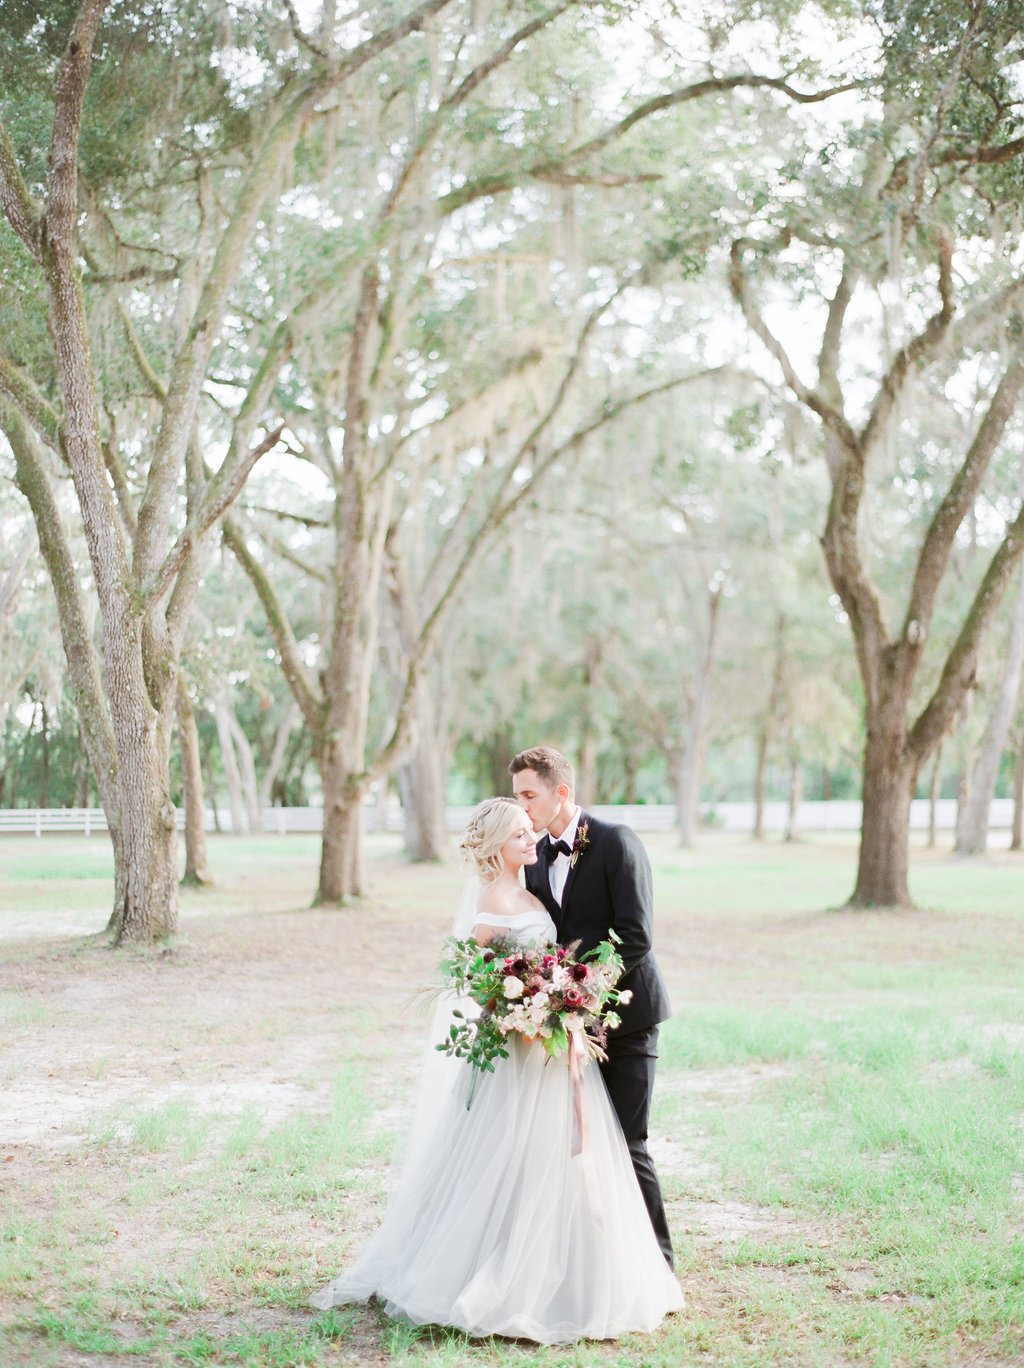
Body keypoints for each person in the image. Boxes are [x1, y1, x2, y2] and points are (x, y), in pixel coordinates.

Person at [309, 797, 682, 1343]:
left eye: (530, 832)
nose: (530, 841)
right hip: (515, 1055)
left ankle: (562, 1266)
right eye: (519, 837)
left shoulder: (532, 890)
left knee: (555, 1159)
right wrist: (521, 1010)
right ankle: (490, 1270)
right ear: (496, 847)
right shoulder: (491, 903)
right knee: (505, 1157)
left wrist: (557, 1003)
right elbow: (479, 983)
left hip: (550, 1052)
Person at [510, 746, 675, 1267]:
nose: (522, 807)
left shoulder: (615, 843)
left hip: (628, 1019)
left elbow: (635, 936)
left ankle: (658, 1262)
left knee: (628, 1143)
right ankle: (595, 1261)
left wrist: (580, 995)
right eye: (517, 797)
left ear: (561, 792)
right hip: (568, 1029)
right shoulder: (534, 861)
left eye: (528, 795)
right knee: (577, 1143)